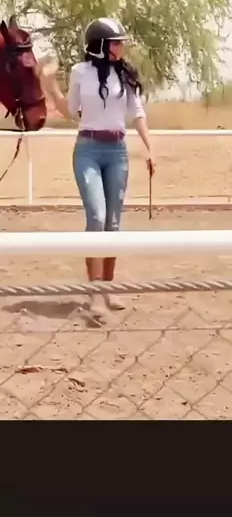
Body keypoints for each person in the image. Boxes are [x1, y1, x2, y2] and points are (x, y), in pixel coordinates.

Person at [40, 18, 156, 320]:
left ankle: (107, 288)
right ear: (101, 46)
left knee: (113, 224)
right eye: (117, 42)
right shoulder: (81, 72)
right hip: (88, 150)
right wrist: (51, 88)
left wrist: (149, 147)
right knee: (97, 217)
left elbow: (137, 112)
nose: (122, 47)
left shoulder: (126, 74)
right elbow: (71, 111)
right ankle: (94, 293)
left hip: (117, 151)